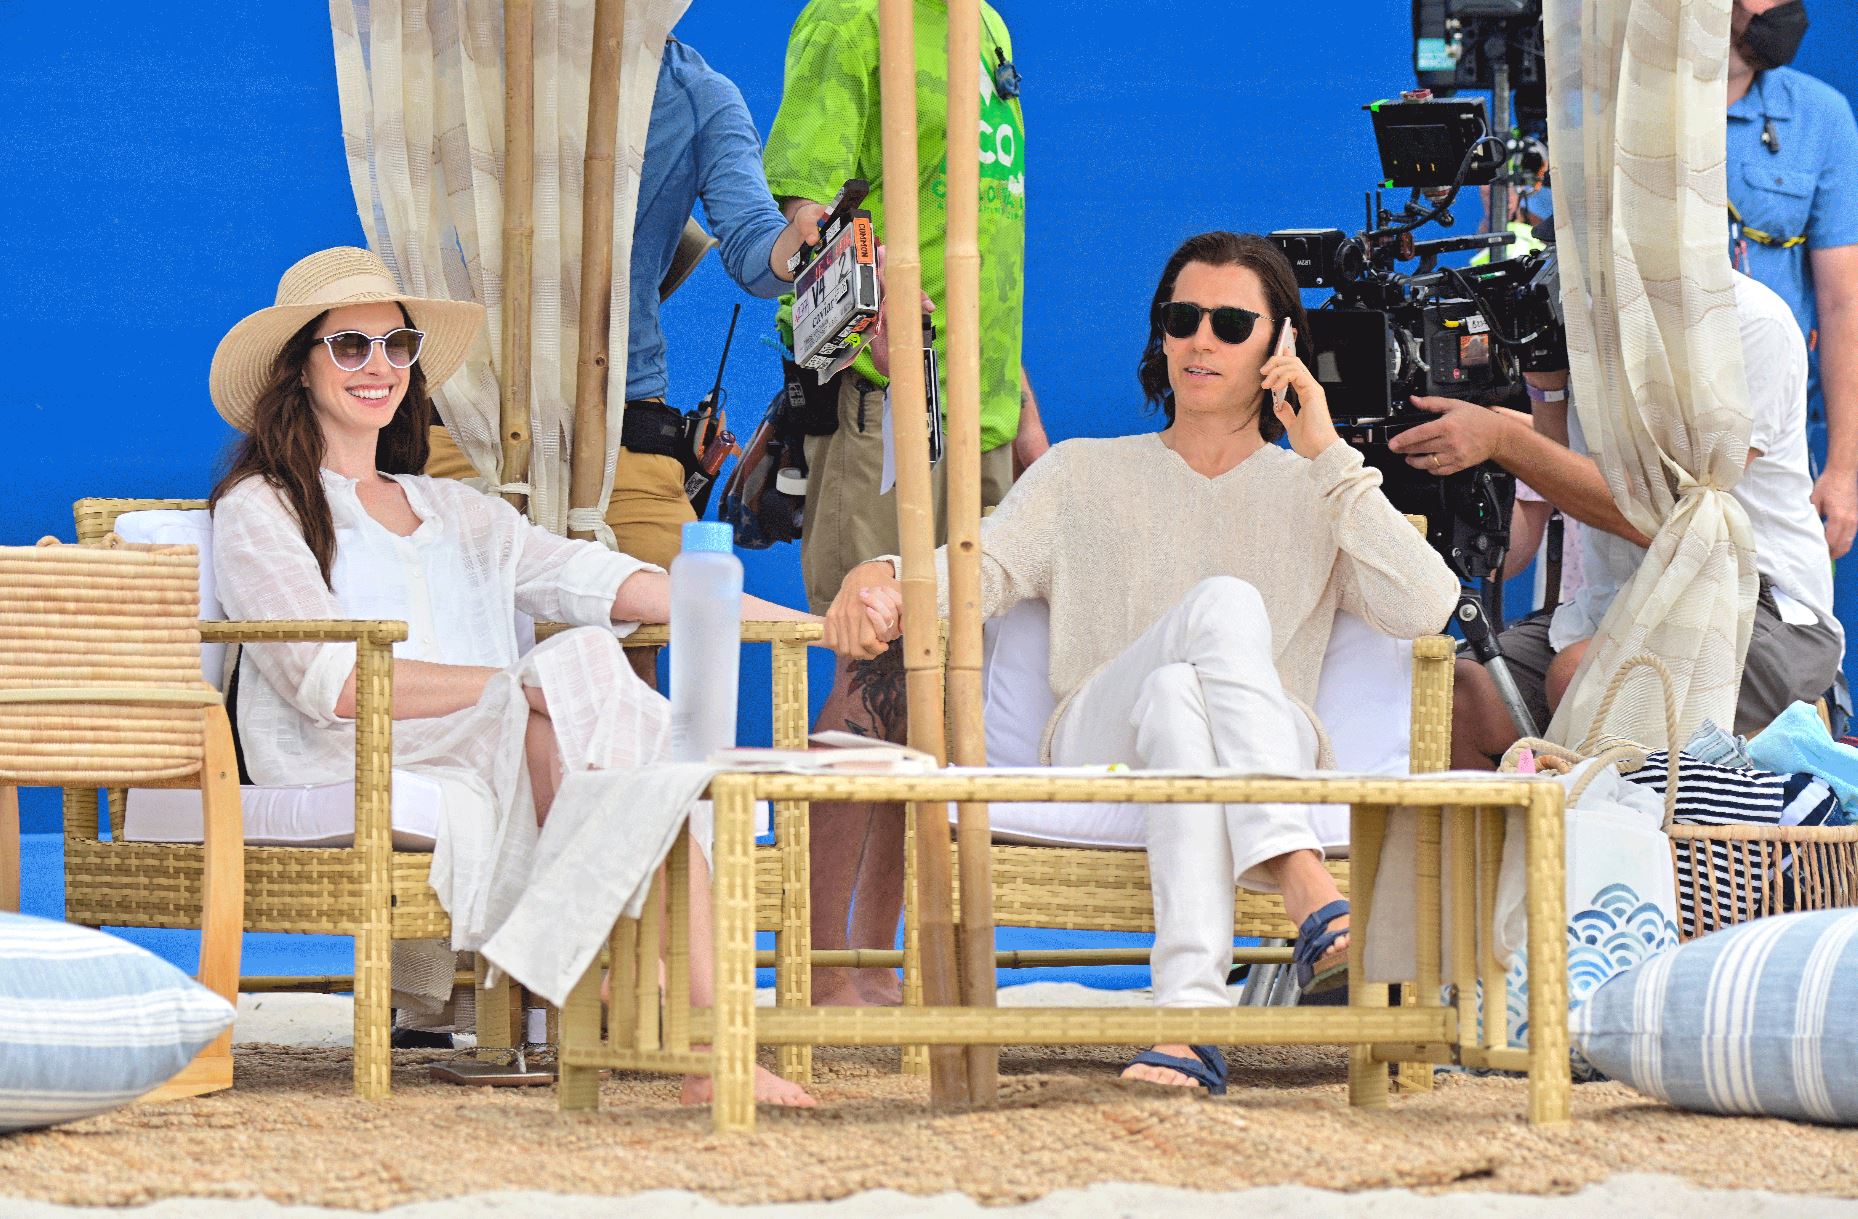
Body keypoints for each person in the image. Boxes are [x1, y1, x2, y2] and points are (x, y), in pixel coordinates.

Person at [205, 246, 889, 1107]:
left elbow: (604, 581)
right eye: (350, 346)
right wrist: (509, 684)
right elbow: (328, 681)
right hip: (346, 750)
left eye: (397, 345)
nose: (378, 366)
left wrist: (815, 629)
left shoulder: (452, 508)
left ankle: (645, 1003)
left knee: (578, 681)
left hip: (495, 739)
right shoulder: (262, 506)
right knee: (569, 683)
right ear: (299, 367)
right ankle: (657, 1005)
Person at [823, 232, 1460, 1092]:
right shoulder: (1081, 473)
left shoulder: (1318, 491)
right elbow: (982, 569)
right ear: (1160, 333)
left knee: (1176, 692)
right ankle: (1307, 885)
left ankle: (1186, 1025)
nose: (1200, 339)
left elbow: (1428, 605)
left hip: (1256, 739)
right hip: (1099, 738)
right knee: (1219, 610)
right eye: (1181, 317)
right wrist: (884, 573)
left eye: (1231, 324)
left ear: (1281, 346)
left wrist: (1328, 455)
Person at [762, 0, 1049, 1007]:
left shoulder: (988, 27)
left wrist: (1021, 416)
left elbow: (986, 249)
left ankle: (876, 958)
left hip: (982, 412)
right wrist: (868, 299)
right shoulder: (853, 18)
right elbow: (804, 233)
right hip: (887, 405)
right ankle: (820, 962)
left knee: (938, 686)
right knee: (870, 666)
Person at [1391, 271, 1844, 763]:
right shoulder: (1581, 312)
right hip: (1613, 604)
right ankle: (1522, 818)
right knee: (1456, 695)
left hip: (1759, 610)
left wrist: (1502, 439)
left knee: (1583, 678)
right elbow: (1543, 506)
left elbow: (1676, 521)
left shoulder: (1749, 320)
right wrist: (1539, 392)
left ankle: (1619, 819)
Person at [425, 35, 828, 573]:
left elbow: (754, 250)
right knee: (450, 611)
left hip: (623, 421)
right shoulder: (473, 52)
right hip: (465, 414)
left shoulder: (698, 94)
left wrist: (796, 244)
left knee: (667, 606)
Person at [1723, 0, 1858, 647]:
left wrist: (1843, 469)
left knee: (1780, 644)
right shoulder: (1628, 112)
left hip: (1775, 450)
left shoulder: (1821, 117)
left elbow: (1842, 303)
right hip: (1649, 438)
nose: (1786, 10)